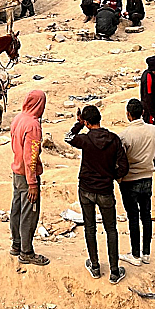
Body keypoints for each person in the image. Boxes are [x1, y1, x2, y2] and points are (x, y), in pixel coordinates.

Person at [64, 105, 129, 284]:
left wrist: (78, 124)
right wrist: (112, 176)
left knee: (90, 228)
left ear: (86, 122)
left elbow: (68, 137)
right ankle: (114, 271)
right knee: (111, 229)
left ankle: (94, 265)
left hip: (86, 189)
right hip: (105, 190)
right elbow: (124, 167)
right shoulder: (114, 139)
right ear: (100, 118)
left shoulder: (85, 139)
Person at [117, 99, 155, 267]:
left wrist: (120, 177)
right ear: (142, 112)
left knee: (133, 218)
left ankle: (135, 254)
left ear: (128, 114)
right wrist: (150, 169)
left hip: (129, 180)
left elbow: (120, 162)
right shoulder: (154, 130)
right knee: (146, 216)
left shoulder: (124, 135)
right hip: (147, 178)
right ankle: (146, 253)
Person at [9, 90, 50, 266]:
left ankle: (16, 244)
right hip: (27, 176)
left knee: (16, 209)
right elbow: (30, 157)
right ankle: (26, 252)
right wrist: (32, 183)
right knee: (29, 213)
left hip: (17, 172)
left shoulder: (19, 118)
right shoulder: (33, 125)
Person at [139, 56, 155, 125]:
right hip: (149, 109)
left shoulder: (148, 74)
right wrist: (152, 112)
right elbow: (148, 95)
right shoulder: (148, 76)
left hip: (150, 108)